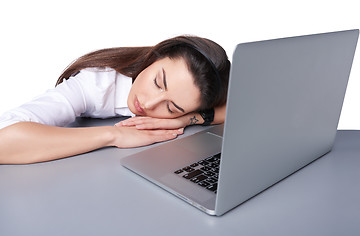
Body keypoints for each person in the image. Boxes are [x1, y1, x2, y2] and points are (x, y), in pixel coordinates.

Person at [0, 35, 230, 164]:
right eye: (158, 83)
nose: (149, 104)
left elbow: (241, 106)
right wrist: (114, 135)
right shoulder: (95, 83)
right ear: (155, 56)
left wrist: (186, 120)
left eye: (170, 107)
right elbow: (5, 140)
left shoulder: (191, 102)